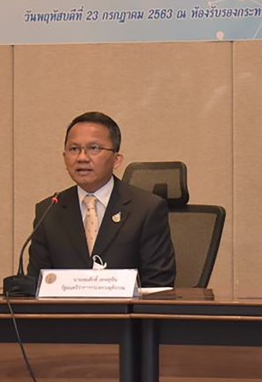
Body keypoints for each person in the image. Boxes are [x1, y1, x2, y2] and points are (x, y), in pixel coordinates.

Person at [28, 111, 176, 287]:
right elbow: (35, 285)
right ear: (64, 157)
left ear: (116, 160)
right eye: (74, 149)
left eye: (94, 148)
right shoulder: (49, 210)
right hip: (65, 314)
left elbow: (158, 285)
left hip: (125, 313)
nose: (82, 158)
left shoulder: (146, 209)